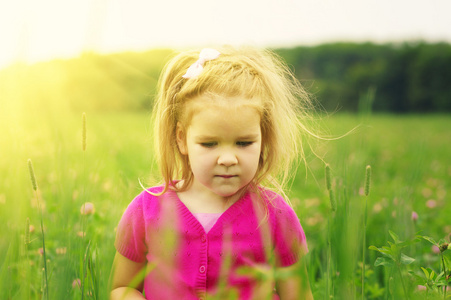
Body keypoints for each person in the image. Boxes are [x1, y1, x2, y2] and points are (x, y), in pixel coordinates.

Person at [110, 46, 314, 300]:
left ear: (264, 138)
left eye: (244, 143)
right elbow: (122, 288)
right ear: (182, 139)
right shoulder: (146, 210)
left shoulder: (275, 214)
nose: (228, 159)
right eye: (209, 143)